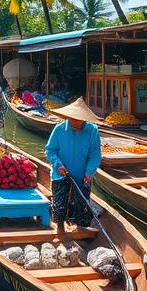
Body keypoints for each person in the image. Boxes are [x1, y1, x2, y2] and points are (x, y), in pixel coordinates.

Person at [44, 99, 103, 234]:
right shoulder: (59, 129)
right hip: (61, 173)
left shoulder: (92, 131)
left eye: (78, 120)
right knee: (59, 203)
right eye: (72, 119)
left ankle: (80, 228)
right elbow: (50, 150)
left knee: (81, 204)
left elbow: (95, 156)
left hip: (82, 174)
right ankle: (60, 227)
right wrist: (58, 165)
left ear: (84, 119)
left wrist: (89, 172)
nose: (74, 122)